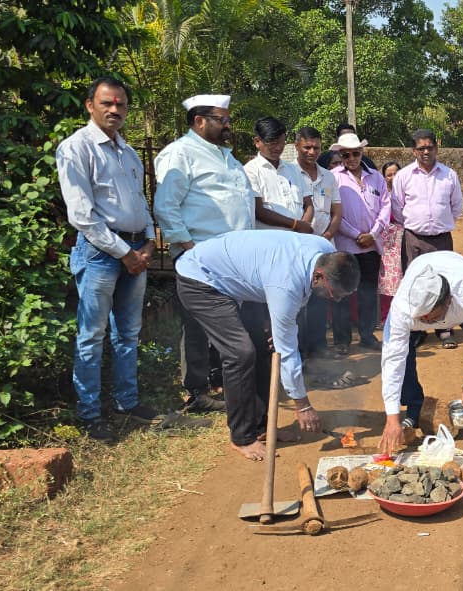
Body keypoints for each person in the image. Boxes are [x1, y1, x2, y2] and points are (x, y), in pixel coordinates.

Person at [174, 230, 360, 460]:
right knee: (240, 353)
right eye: (334, 294)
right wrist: (302, 404)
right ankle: (241, 438)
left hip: (245, 281)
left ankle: (263, 428)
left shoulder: (324, 249)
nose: (337, 300)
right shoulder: (286, 285)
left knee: (264, 348)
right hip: (201, 280)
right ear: (318, 277)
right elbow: (288, 350)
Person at [56, 77, 162, 440]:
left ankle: (126, 403)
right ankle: (89, 414)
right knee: (91, 335)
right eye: (107, 104)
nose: (115, 110)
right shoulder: (76, 148)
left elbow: (140, 202)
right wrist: (124, 253)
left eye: (121, 105)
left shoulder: (129, 153)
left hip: (136, 252)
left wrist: (148, 243)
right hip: (100, 254)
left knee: (128, 333)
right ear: (90, 106)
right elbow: (82, 215)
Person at [154, 93, 256, 415]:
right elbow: (165, 205)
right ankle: (197, 392)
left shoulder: (227, 157)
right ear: (199, 121)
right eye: (221, 120)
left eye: (228, 119)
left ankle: (226, 383)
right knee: (197, 325)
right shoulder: (180, 154)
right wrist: (188, 247)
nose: (228, 126)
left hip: (234, 258)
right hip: (200, 256)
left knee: (230, 321)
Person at [376, 251, 463, 455]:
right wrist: (392, 417)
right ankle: (414, 408)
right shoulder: (403, 308)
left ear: (448, 301)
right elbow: (392, 359)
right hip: (421, 269)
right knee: (403, 352)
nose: (426, 322)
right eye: (422, 319)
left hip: (462, 298)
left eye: (431, 317)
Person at [391, 129, 463, 349]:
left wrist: (439, 223)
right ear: (414, 151)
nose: (426, 152)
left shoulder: (449, 175)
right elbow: (398, 207)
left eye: (429, 147)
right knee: (416, 284)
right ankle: (418, 330)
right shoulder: (404, 176)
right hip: (414, 239)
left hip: (442, 239)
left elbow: (457, 207)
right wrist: (418, 224)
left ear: (436, 148)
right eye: (421, 148)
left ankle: (444, 329)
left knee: (444, 283)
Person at [328, 132, 389, 354]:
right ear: (340, 155)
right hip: (346, 245)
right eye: (346, 155)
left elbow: (385, 206)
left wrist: (373, 234)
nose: (351, 158)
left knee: (367, 292)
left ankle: (366, 335)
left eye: (355, 153)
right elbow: (334, 213)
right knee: (342, 294)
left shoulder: (376, 177)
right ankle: (342, 340)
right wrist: (356, 235)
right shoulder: (333, 177)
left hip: (371, 246)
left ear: (362, 152)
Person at [292, 126, 343, 354]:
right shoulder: (288, 174)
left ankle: (319, 348)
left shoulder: (328, 177)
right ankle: (299, 350)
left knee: (320, 299)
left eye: (316, 147)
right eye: (307, 147)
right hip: (296, 249)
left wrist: (327, 237)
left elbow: (336, 213)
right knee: (296, 301)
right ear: (297, 147)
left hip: (323, 249)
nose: (312, 152)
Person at [246, 117, 314, 233]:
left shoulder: (294, 169)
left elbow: (308, 205)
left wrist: (304, 226)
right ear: (257, 142)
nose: (278, 147)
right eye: (272, 143)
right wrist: (296, 224)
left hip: (299, 239)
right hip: (271, 243)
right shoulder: (250, 171)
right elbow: (259, 211)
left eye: (281, 142)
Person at [378, 161, 404, 323]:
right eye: (389, 174)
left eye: (396, 173)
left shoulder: (407, 192)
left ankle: (402, 315)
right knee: (385, 277)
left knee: (402, 276)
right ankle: (386, 316)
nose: (393, 177)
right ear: (384, 177)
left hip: (403, 238)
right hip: (384, 240)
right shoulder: (381, 194)